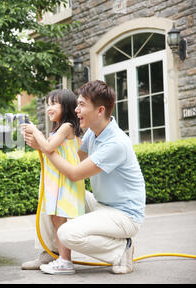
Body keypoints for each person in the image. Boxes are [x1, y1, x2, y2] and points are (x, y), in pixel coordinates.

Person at [24, 80, 146, 274]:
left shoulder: (115, 143)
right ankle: (53, 252)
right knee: (52, 193)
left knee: (67, 233)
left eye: (81, 105)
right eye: (77, 104)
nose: (76, 109)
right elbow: (69, 161)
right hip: (100, 205)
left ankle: (122, 249)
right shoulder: (92, 135)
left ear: (100, 110)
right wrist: (44, 147)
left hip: (124, 216)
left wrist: (44, 144)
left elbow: (73, 173)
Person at [21, 89, 85, 275]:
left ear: (66, 107)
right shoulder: (58, 129)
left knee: (60, 220)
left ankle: (65, 260)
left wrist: (35, 131)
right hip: (55, 182)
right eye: (48, 104)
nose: (49, 108)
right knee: (56, 219)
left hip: (63, 181)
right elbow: (48, 150)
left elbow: (49, 147)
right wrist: (36, 142)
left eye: (54, 104)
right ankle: (61, 258)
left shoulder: (66, 127)